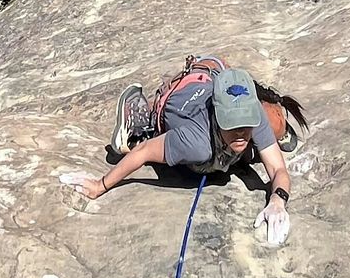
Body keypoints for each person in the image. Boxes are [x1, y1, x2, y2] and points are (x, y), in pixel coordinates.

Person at [76, 54, 307, 247]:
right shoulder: (196, 143)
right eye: (231, 124)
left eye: (245, 124)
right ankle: (140, 116)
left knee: (273, 129)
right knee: (215, 155)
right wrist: (101, 186)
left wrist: (278, 201)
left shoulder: (253, 113)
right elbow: (145, 152)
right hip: (184, 91)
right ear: (218, 116)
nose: (240, 133)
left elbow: (278, 169)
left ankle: (217, 69)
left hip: (212, 73)